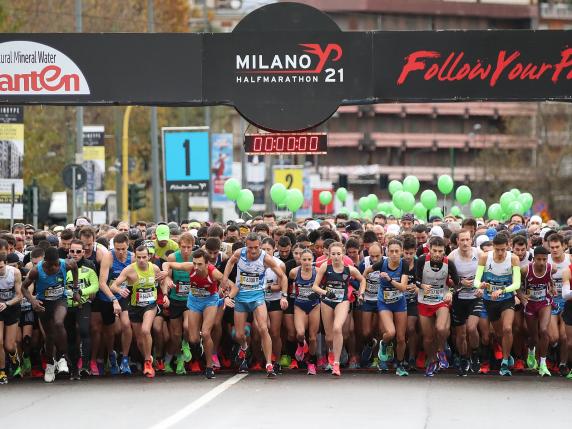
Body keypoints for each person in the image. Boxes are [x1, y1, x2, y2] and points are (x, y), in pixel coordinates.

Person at [221, 233, 287, 378]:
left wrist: (284, 295)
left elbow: (283, 276)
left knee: (264, 328)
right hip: (241, 296)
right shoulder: (240, 253)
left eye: (256, 247)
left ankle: (269, 364)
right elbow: (230, 262)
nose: (253, 251)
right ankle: (244, 347)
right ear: (246, 245)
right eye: (250, 247)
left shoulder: (265, 258)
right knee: (238, 334)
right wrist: (225, 278)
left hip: (257, 296)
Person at [165, 249, 229, 379]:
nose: (196, 267)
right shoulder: (190, 268)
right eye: (194, 263)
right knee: (193, 338)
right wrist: (166, 276)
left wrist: (227, 296)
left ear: (207, 264)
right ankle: (198, 344)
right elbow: (167, 264)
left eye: (199, 264)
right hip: (194, 301)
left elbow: (229, 285)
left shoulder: (214, 272)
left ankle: (209, 367)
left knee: (206, 332)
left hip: (210, 301)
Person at [20, 247, 79, 383]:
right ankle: (50, 365)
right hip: (44, 304)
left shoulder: (66, 264)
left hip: (60, 299)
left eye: (56, 264)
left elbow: (75, 269)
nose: (54, 267)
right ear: (45, 262)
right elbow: (23, 287)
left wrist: (76, 290)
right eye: (51, 265)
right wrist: (33, 300)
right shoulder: (36, 271)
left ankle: (62, 357)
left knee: (59, 323)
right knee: (50, 336)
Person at [312, 241, 365, 377]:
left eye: (338, 254)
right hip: (327, 301)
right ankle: (333, 352)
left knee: (337, 328)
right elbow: (315, 286)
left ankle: (336, 363)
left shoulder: (349, 268)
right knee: (329, 337)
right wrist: (325, 293)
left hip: (342, 301)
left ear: (343, 254)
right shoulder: (325, 266)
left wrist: (361, 293)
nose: (336, 257)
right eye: (333, 254)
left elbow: (362, 279)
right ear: (329, 255)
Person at [109, 245, 161, 378]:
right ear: (135, 257)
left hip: (150, 305)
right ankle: (148, 358)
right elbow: (113, 285)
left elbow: (163, 280)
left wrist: (165, 293)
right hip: (134, 306)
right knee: (139, 340)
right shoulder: (129, 270)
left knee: (145, 330)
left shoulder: (154, 268)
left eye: (144, 257)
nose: (142, 260)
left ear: (149, 257)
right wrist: (120, 290)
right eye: (139, 257)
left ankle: (148, 362)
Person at [474, 233, 521, 376]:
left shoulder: (513, 258)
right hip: (490, 300)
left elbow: (517, 283)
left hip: (506, 299)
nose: (500, 253)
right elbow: (476, 281)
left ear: (507, 246)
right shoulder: (484, 257)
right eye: (497, 249)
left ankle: (505, 362)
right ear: (493, 247)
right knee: (499, 333)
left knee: (507, 329)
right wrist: (480, 285)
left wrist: (503, 290)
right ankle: (506, 354)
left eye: (503, 249)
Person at [416, 236, 460, 377]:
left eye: (440, 251)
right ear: (429, 249)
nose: (437, 254)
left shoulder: (449, 263)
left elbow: (457, 283)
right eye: (434, 250)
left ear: (444, 251)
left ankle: (441, 350)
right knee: (428, 337)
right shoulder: (422, 260)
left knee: (441, 328)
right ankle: (432, 360)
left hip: (441, 299)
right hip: (424, 300)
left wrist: (451, 293)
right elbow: (415, 279)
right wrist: (422, 285)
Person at [364, 239, 409, 375]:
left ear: (401, 252)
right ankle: (383, 344)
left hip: (399, 302)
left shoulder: (404, 264)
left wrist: (390, 279)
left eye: (397, 251)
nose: (394, 254)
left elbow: (403, 287)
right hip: (384, 302)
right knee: (391, 333)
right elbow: (366, 271)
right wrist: (362, 286)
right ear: (387, 252)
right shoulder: (382, 263)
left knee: (401, 338)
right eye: (391, 251)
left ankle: (400, 365)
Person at [91, 232, 131, 376]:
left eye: (123, 249)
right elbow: (102, 283)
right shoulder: (109, 256)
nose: (120, 252)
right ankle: (111, 355)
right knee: (110, 332)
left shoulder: (132, 257)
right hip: (106, 297)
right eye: (118, 249)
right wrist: (113, 299)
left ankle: (125, 358)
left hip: (123, 295)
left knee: (126, 325)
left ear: (128, 246)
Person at [64, 239, 99, 379]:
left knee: (84, 331)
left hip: (84, 304)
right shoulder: (63, 265)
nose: (75, 254)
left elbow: (95, 285)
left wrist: (81, 293)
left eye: (78, 251)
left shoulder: (90, 265)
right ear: (68, 251)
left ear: (83, 252)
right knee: (70, 335)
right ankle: (73, 369)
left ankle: (85, 365)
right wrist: (70, 294)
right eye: (72, 251)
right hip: (67, 305)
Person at [448, 229, 482, 376]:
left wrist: (481, 286)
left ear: (471, 240)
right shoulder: (452, 257)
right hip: (459, 298)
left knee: (471, 328)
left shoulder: (479, 254)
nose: (465, 243)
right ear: (457, 242)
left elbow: (487, 274)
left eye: (467, 240)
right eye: (462, 240)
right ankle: (463, 358)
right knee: (460, 334)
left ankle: (475, 354)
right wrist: (460, 282)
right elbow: (446, 279)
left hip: (476, 297)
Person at [519, 246, 554, 376]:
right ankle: (532, 350)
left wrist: (553, 287)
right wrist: (521, 297)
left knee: (544, 330)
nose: (541, 262)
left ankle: (543, 364)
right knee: (533, 336)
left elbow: (550, 280)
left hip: (544, 302)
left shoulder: (551, 269)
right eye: (538, 259)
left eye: (544, 259)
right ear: (533, 259)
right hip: (530, 304)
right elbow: (516, 284)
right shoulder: (525, 270)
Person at [162, 232, 194, 375]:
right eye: (183, 247)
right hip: (175, 299)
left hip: (190, 299)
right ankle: (169, 360)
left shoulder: (196, 257)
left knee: (187, 326)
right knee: (175, 336)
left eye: (188, 247)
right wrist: (168, 281)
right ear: (179, 246)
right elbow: (167, 277)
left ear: (193, 246)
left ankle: (185, 345)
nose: (186, 250)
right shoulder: (173, 257)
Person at [290, 249, 321, 375]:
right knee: (300, 333)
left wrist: (318, 292)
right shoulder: (294, 272)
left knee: (313, 338)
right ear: (300, 260)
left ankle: (312, 363)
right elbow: (290, 286)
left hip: (314, 305)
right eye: (304, 259)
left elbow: (323, 286)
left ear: (312, 260)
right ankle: (301, 344)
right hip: (299, 305)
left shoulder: (318, 272)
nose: (307, 262)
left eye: (309, 259)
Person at [261, 238, 287, 373]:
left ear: (274, 249)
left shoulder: (279, 264)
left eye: (268, 250)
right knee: (263, 329)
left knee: (275, 333)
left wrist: (269, 287)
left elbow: (282, 284)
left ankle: (277, 361)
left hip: (275, 300)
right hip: (260, 300)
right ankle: (266, 361)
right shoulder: (255, 262)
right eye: (263, 249)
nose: (266, 252)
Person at [546, 233, 570, 376]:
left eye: (557, 247)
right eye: (552, 247)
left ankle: (562, 363)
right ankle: (552, 352)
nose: (554, 250)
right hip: (551, 300)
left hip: (567, 300)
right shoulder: (545, 260)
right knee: (554, 337)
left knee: (564, 337)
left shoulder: (570, 260)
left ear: (564, 246)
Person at [357, 242, 383, 368]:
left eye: (377, 256)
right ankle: (370, 343)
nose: (374, 259)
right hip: (367, 299)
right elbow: (358, 279)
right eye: (372, 256)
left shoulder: (387, 262)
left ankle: (376, 358)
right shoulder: (364, 263)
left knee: (379, 331)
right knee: (366, 332)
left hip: (381, 300)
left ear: (382, 254)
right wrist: (360, 293)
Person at [0, 253, 23, 384]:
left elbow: (20, 296)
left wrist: (6, 303)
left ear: (6, 263)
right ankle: (2, 371)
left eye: (1, 267)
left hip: (11, 306)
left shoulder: (14, 273)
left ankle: (14, 359)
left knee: (9, 345)